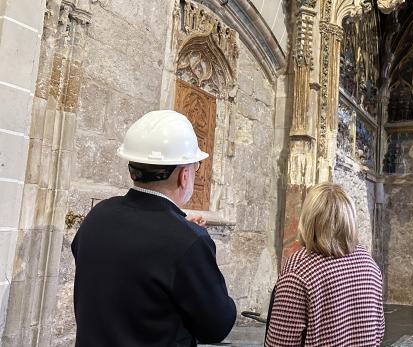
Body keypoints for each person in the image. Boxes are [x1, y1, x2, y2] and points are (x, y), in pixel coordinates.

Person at [72, 110, 236, 346]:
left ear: (132, 169)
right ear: (184, 176)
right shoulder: (187, 242)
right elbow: (217, 326)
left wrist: (182, 236)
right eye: (195, 167)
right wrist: (191, 243)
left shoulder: (98, 215)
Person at [264, 183, 384, 346]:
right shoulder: (370, 266)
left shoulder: (299, 271)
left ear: (308, 219)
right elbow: (378, 332)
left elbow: (279, 343)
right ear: (349, 218)